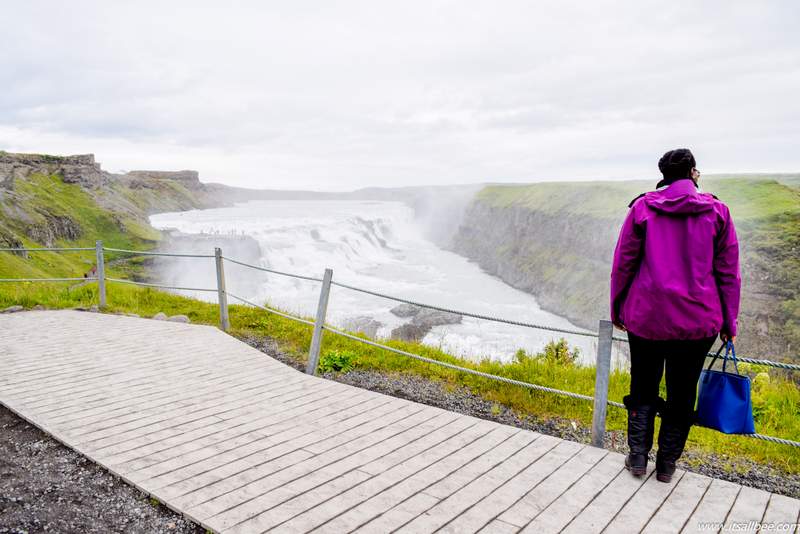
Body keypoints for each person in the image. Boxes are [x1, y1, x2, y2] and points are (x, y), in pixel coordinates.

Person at [610, 148, 741, 483]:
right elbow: (728, 273)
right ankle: (667, 466)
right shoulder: (718, 212)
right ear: (693, 173)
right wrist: (729, 322)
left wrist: (617, 307)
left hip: (647, 317)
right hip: (698, 322)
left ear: (664, 175)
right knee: (683, 392)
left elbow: (623, 263)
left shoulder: (643, 208)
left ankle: (638, 457)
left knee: (643, 384)